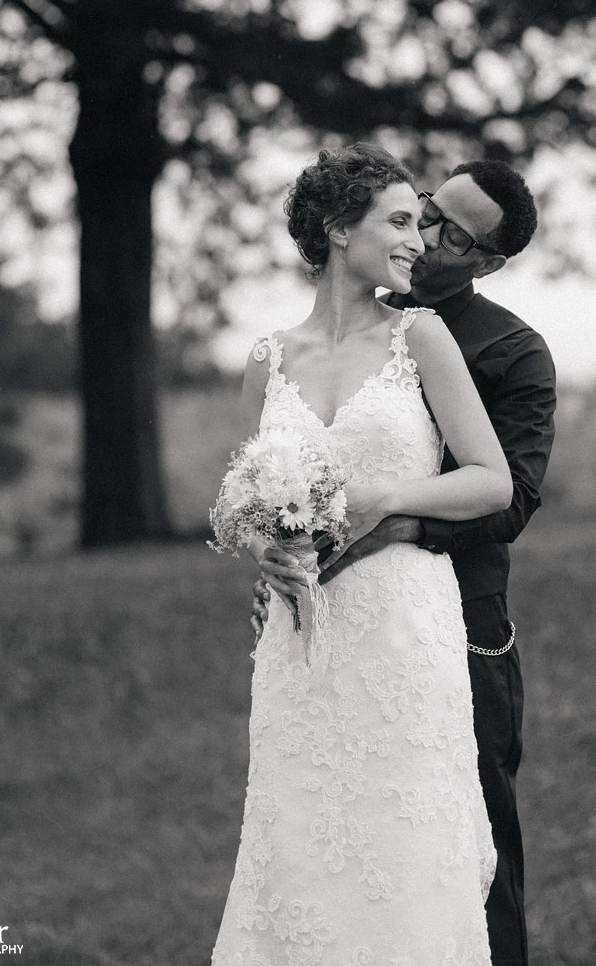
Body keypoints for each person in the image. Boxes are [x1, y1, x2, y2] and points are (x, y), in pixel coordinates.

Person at [212, 143, 515, 966]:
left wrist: (385, 496)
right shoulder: (268, 360)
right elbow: (245, 502)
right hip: (299, 643)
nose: (419, 241)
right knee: (302, 840)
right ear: (340, 228)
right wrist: (266, 556)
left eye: (421, 225)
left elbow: (491, 482)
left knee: (404, 843)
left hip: (402, 630)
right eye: (403, 222)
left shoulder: (423, 337)